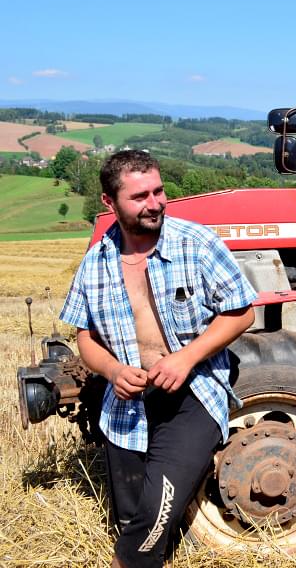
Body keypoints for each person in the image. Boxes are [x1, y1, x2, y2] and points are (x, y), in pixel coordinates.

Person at [60, 150, 258, 568]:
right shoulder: (95, 264)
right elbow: (85, 337)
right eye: (139, 197)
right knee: (130, 519)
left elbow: (242, 313)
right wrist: (113, 370)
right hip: (128, 403)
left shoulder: (196, 243)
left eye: (158, 191)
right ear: (109, 202)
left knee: (152, 514)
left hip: (192, 393)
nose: (154, 204)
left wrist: (186, 358)